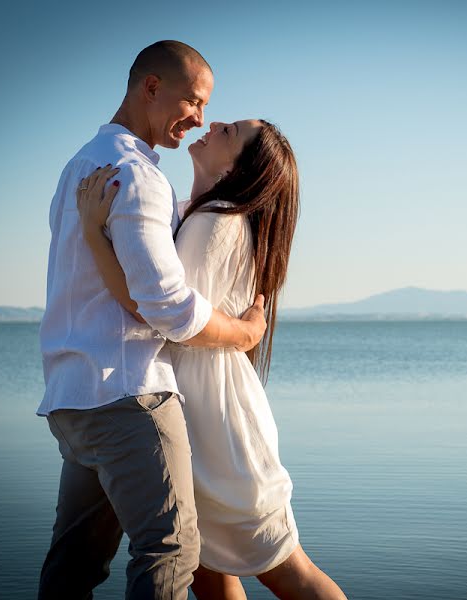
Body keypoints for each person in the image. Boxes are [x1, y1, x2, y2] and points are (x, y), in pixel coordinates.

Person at [76, 118, 347, 599]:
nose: (214, 124)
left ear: (239, 168)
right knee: (208, 571)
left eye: (230, 133)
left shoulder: (216, 220)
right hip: (196, 409)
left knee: (283, 568)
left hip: (215, 420)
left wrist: (95, 236)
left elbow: (165, 315)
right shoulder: (200, 214)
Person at [37, 41, 268, 600]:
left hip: (72, 397)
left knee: (74, 565)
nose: (200, 119)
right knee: (170, 551)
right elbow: (164, 302)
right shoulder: (135, 174)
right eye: (193, 101)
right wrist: (243, 334)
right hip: (129, 396)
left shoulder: (79, 165)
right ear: (151, 88)